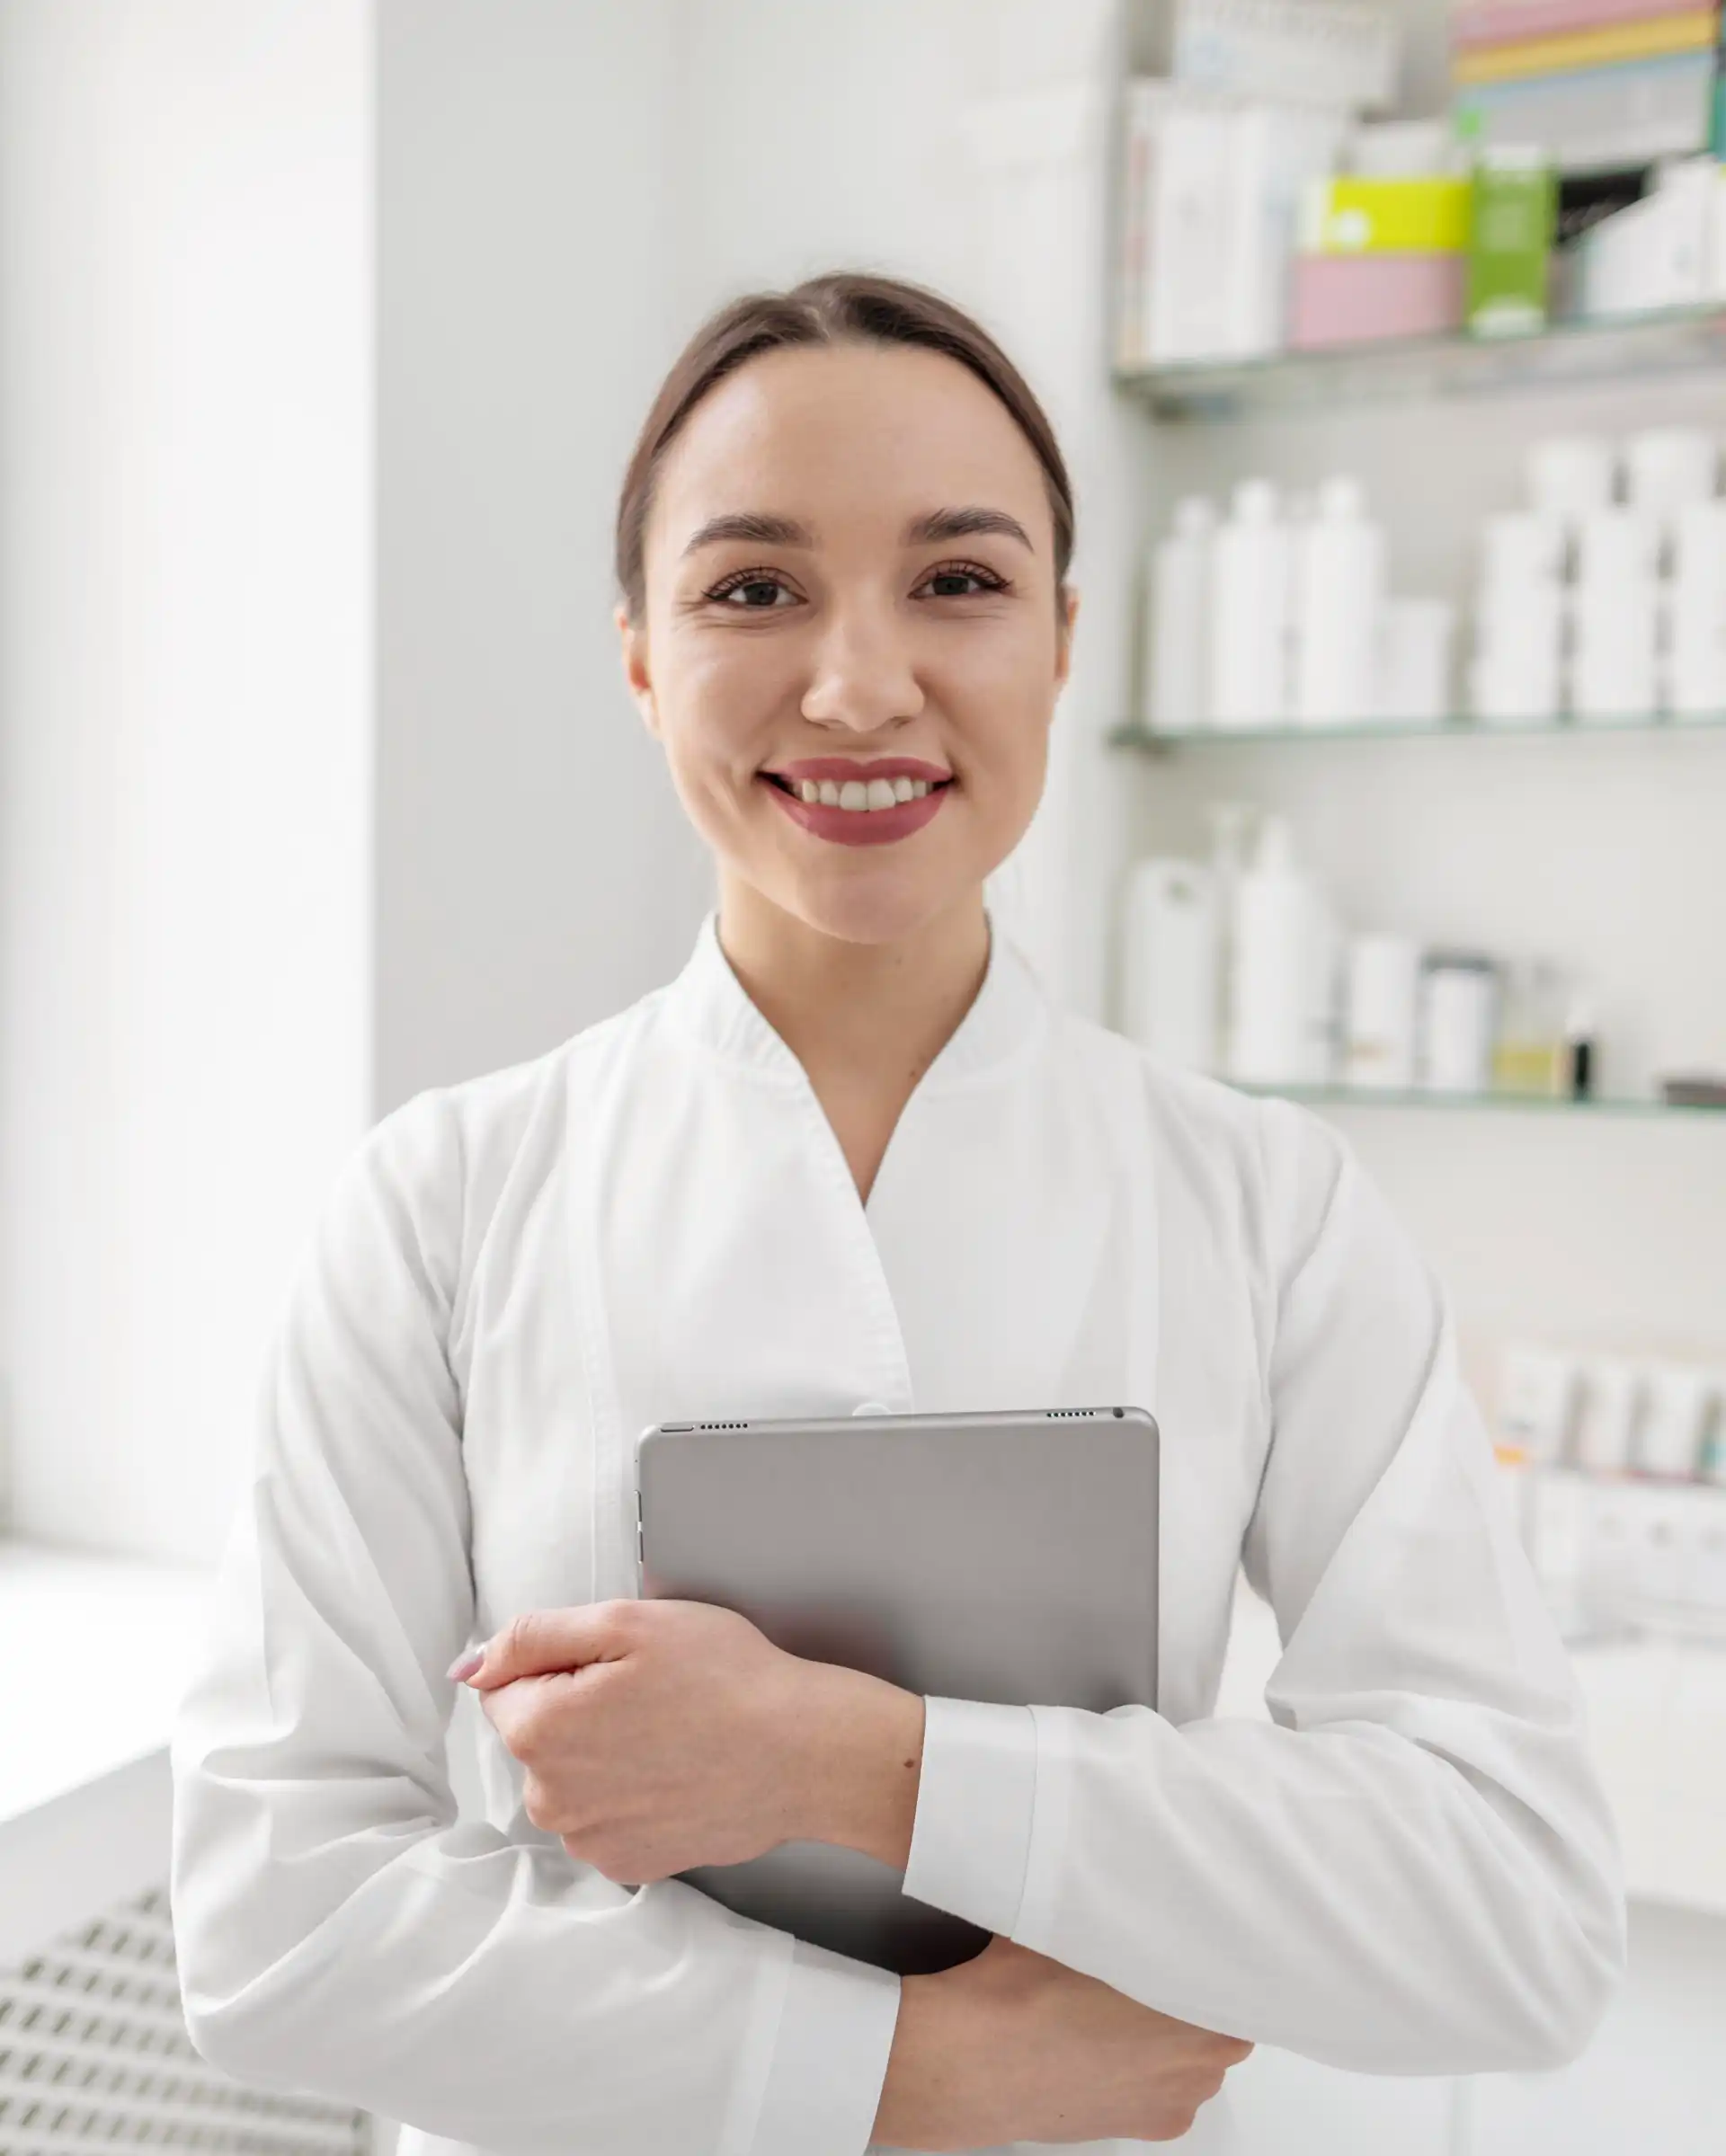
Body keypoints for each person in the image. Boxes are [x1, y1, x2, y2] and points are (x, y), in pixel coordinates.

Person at [170, 271, 1624, 2156]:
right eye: (754, 587)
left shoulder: (1269, 1208)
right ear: (637, 655)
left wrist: (856, 1760)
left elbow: (1514, 1914)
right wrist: (901, 2079)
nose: (858, 683)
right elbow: (275, 1921)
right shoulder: (442, 1203)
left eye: (957, 580)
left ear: (1063, 640)